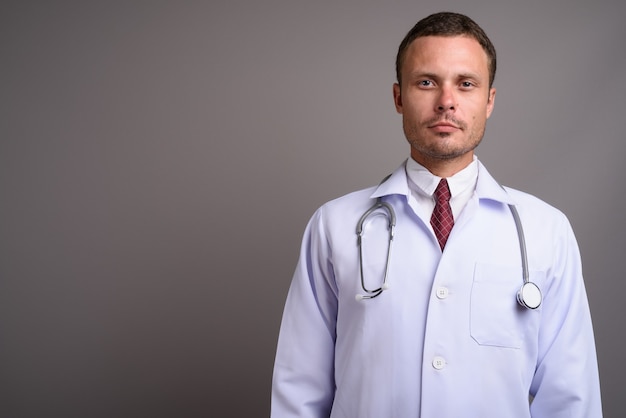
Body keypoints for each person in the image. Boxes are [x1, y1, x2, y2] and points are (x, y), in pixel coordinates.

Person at [271, 11, 602, 418]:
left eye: (466, 84)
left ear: (489, 101)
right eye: (426, 82)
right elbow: (298, 390)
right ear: (398, 97)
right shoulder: (333, 227)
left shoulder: (545, 231)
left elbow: (571, 398)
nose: (446, 101)